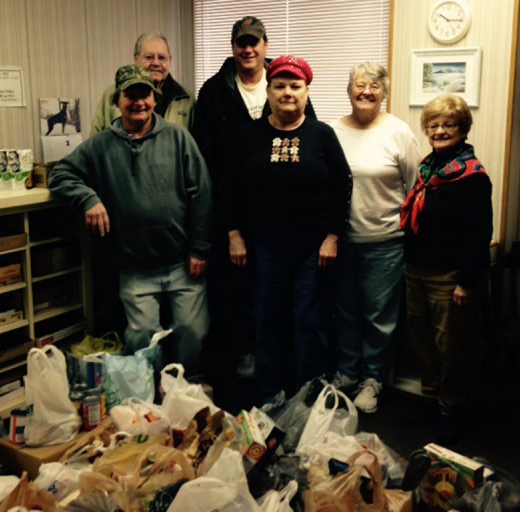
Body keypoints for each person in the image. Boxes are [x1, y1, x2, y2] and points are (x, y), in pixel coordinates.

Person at [49, 65, 212, 377]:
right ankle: (150, 395)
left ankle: (187, 391)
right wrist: (89, 199)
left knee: (192, 332)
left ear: (154, 98)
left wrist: (200, 249)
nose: (139, 102)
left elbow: (201, 194)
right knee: (141, 338)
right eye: (130, 95)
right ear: (117, 100)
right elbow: (60, 173)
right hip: (136, 268)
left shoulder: (178, 138)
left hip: (183, 263)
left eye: (145, 94)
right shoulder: (101, 145)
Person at [193, 16, 315, 392]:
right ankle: (243, 361)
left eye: (255, 42)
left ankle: (285, 369)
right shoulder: (213, 92)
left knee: (279, 295)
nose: (248, 49)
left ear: (265, 45)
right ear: (233, 47)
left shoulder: (284, 81)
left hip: (278, 216)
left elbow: (308, 144)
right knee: (234, 294)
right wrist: (226, 222)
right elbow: (205, 157)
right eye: (241, 42)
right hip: (230, 210)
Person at [222, 56, 352, 403]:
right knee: (268, 322)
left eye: (295, 86)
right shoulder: (249, 135)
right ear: (268, 91)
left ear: (307, 92)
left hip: (313, 249)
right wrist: (234, 233)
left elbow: (343, 186)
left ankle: (308, 398)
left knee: (309, 324)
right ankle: (270, 396)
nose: (287, 93)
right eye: (279, 86)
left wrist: (333, 236)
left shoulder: (322, 135)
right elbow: (229, 187)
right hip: (264, 247)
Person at [399, 93, 492, 444]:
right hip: (416, 269)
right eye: (434, 124)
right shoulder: (428, 167)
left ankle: (452, 411)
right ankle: (431, 400)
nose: (439, 130)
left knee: (451, 347)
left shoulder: (471, 176)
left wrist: (465, 283)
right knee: (422, 342)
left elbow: (479, 233)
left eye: (448, 124)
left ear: (462, 129)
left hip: (450, 277)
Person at [330, 62, 421, 414]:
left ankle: (373, 379)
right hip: (342, 241)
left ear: (384, 92)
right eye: (359, 85)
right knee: (346, 313)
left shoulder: (398, 132)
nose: (366, 91)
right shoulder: (332, 130)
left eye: (374, 86)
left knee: (379, 317)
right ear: (349, 90)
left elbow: (416, 189)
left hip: (385, 243)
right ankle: (348, 373)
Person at [90, 33, 194, 135]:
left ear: (170, 61)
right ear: (136, 59)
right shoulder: (112, 94)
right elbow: (94, 143)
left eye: (162, 58)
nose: (156, 63)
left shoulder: (187, 100)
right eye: (149, 57)